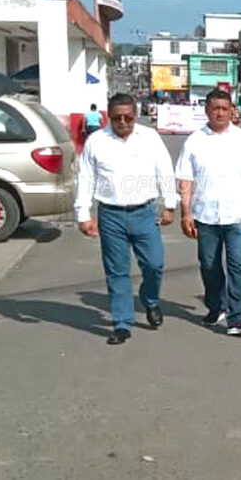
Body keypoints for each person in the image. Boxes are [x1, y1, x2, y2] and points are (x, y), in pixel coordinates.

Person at [74, 94, 176, 345]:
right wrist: (83, 215)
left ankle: (150, 301)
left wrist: (170, 204)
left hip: (145, 212)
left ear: (135, 114)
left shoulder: (149, 137)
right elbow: (85, 178)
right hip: (111, 215)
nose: (123, 122)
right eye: (117, 117)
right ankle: (121, 323)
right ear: (109, 116)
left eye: (128, 117)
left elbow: (164, 169)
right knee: (117, 271)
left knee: (154, 264)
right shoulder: (96, 141)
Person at [175, 89, 241, 336]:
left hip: (239, 215)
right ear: (206, 111)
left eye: (225, 109)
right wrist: (186, 213)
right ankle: (216, 307)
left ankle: (238, 317)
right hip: (206, 217)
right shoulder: (194, 141)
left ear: (231, 111)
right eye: (215, 108)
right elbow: (185, 179)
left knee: (238, 265)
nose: (220, 113)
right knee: (209, 265)